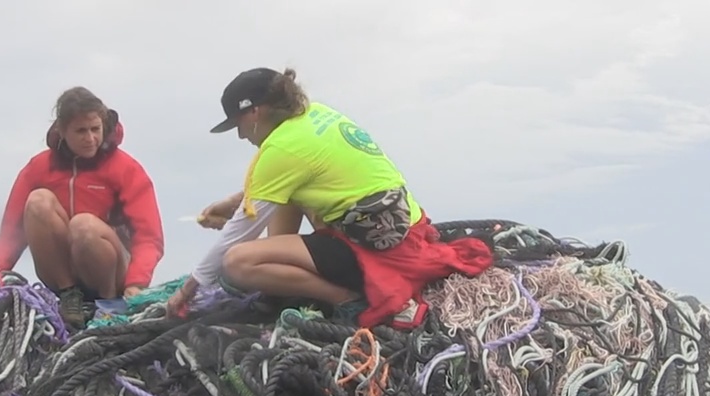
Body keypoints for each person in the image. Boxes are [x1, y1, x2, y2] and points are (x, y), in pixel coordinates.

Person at [167, 68, 493, 327]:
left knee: (237, 262)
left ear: (253, 113)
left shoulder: (281, 148)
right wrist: (232, 203)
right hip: (399, 224)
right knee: (289, 195)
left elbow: (234, 239)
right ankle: (279, 286)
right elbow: (285, 179)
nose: (240, 135)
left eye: (238, 124)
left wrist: (186, 292)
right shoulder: (314, 116)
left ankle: (344, 298)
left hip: (376, 249)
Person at [0, 87, 165, 328]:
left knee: (83, 225)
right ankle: (69, 296)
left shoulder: (126, 168)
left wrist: (136, 282)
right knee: (38, 201)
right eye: (81, 131)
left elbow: (150, 237)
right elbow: (12, 228)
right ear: (62, 131)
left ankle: (108, 302)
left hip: (110, 270)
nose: (90, 138)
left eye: (95, 129)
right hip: (61, 272)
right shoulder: (40, 167)